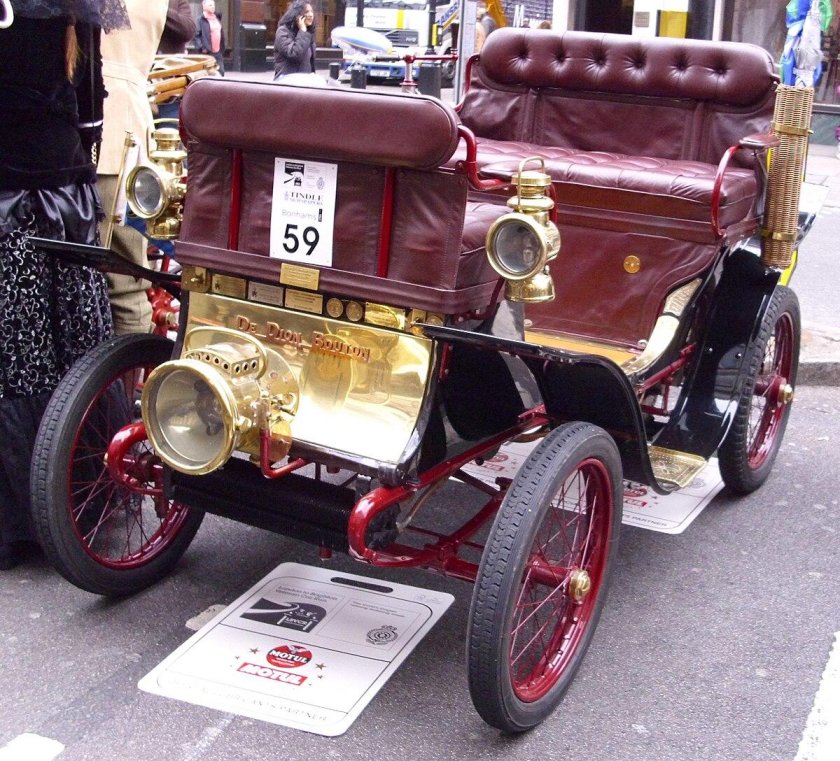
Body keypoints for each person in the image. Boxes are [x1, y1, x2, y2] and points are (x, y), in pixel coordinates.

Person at [0, 0, 128, 570]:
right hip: (63, 192)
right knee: (75, 348)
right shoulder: (74, 10)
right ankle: (78, 501)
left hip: (11, 198)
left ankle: (20, 521)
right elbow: (91, 105)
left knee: (18, 358)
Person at [97, 0, 167, 336]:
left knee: (121, 280)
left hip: (108, 132)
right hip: (125, 128)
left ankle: (127, 363)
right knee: (124, 282)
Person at [273, 1, 317, 81]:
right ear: (297, 15)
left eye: (311, 11)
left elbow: (310, 63)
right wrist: (302, 31)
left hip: (304, 82)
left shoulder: (308, 34)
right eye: (306, 12)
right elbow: (294, 54)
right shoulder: (283, 31)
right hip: (286, 82)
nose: (311, 15)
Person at [194, 0, 225, 75]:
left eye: (213, 5)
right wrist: (201, 48)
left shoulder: (216, 18)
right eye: (210, 5)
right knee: (207, 73)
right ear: (204, 7)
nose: (213, 7)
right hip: (207, 51)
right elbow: (196, 35)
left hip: (218, 52)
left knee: (221, 72)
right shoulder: (200, 20)